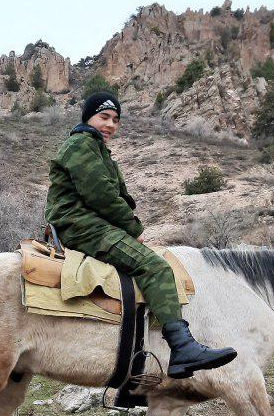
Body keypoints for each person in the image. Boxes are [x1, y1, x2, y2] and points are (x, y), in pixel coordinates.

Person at [45, 91, 236, 378]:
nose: (110, 125)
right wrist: (134, 230)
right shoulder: (80, 145)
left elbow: (116, 196)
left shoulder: (97, 150)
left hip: (88, 223)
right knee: (155, 267)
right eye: (103, 117)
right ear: (88, 117)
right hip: (81, 225)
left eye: (115, 120)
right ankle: (182, 347)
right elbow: (102, 196)